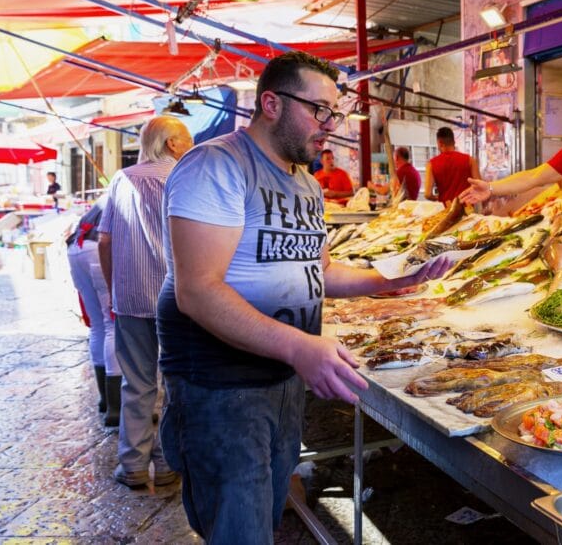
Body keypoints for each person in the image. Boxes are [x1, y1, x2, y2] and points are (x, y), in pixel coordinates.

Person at [156, 50, 451, 543]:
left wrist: (391, 280)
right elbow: (198, 291)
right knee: (238, 530)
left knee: (266, 517)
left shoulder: (307, 186)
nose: (330, 125)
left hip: (283, 382)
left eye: (333, 112)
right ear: (271, 103)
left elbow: (320, 270)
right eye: (319, 110)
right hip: (221, 388)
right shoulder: (217, 166)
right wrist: (298, 345)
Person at [99, 116, 193, 489]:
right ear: (172, 144)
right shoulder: (184, 178)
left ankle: (134, 465)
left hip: (132, 297)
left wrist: (114, 291)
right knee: (174, 382)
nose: (191, 144)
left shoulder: (123, 179)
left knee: (136, 384)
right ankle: (168, 461)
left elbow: (104, 241)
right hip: (177, 297)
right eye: (188, 139)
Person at [65, 197, 121, 426]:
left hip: (76, 247)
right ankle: (117, 407)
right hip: (96, 248)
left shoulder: (113, 190)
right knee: (111, 324)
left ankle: (105, 400)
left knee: (98, 326)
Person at [424, 127, 480, 204]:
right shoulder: (470, 160)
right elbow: (479, 186)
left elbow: (427, 194)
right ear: (454, 142)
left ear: (440, 143)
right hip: (466, 208)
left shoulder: (431, 164)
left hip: (445, 210)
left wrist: (438, 198)